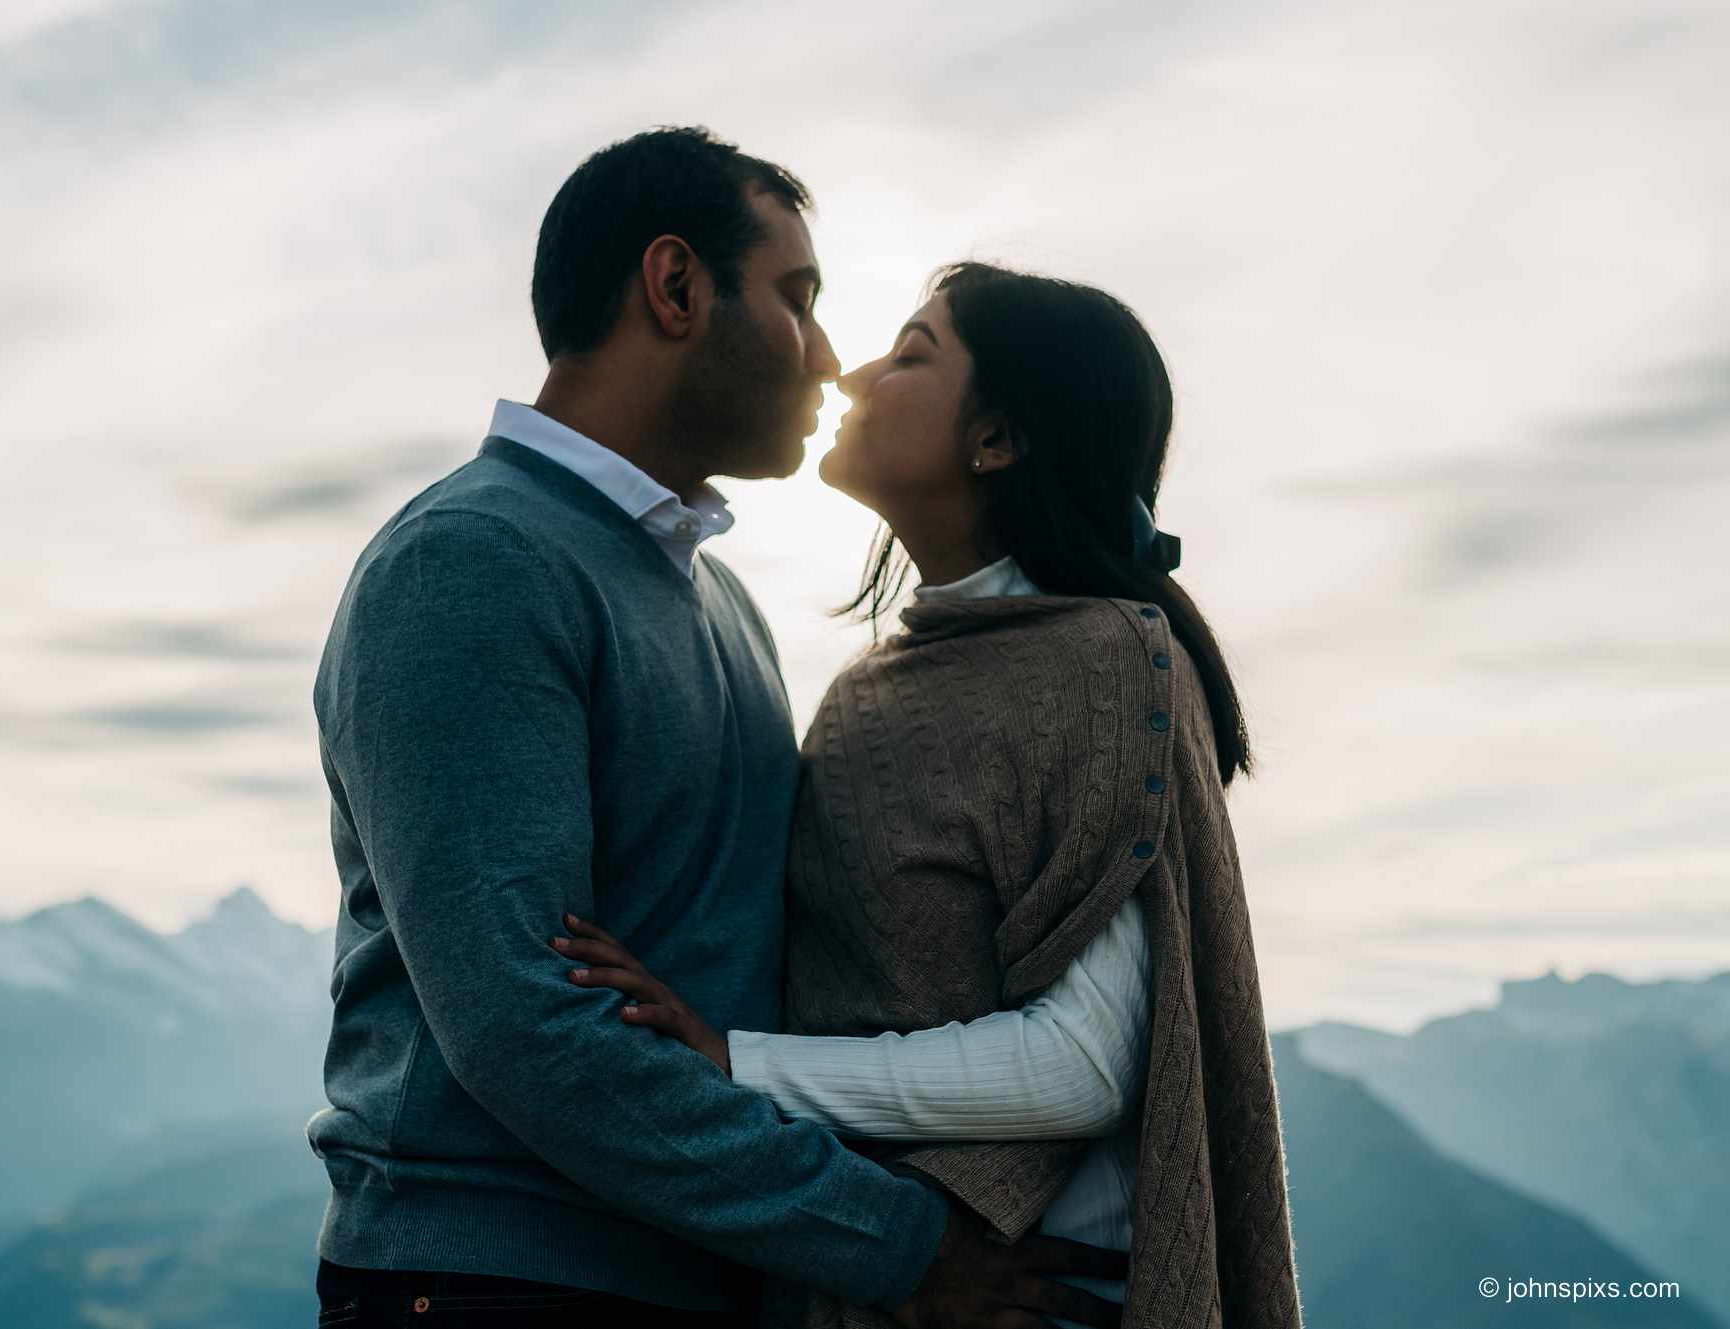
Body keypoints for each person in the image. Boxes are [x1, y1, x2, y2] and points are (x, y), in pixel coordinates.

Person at [306, 128, 1129, 1329]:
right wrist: (898, 1243)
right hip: (502, 1283)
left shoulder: (721, 602)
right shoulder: (472, 563)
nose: (832, 359)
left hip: (705, 1281)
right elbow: (527, 1025)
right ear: (678, 286)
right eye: (799, 300)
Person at [553, 263, 1307, 1329]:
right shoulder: (868, 691)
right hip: (876, 1274)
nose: (856, 376)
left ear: (994, 440)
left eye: (911, 354)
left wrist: (735, 1065)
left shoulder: (1106, 665)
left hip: (1040, 1286)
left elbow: (1082, 1064)